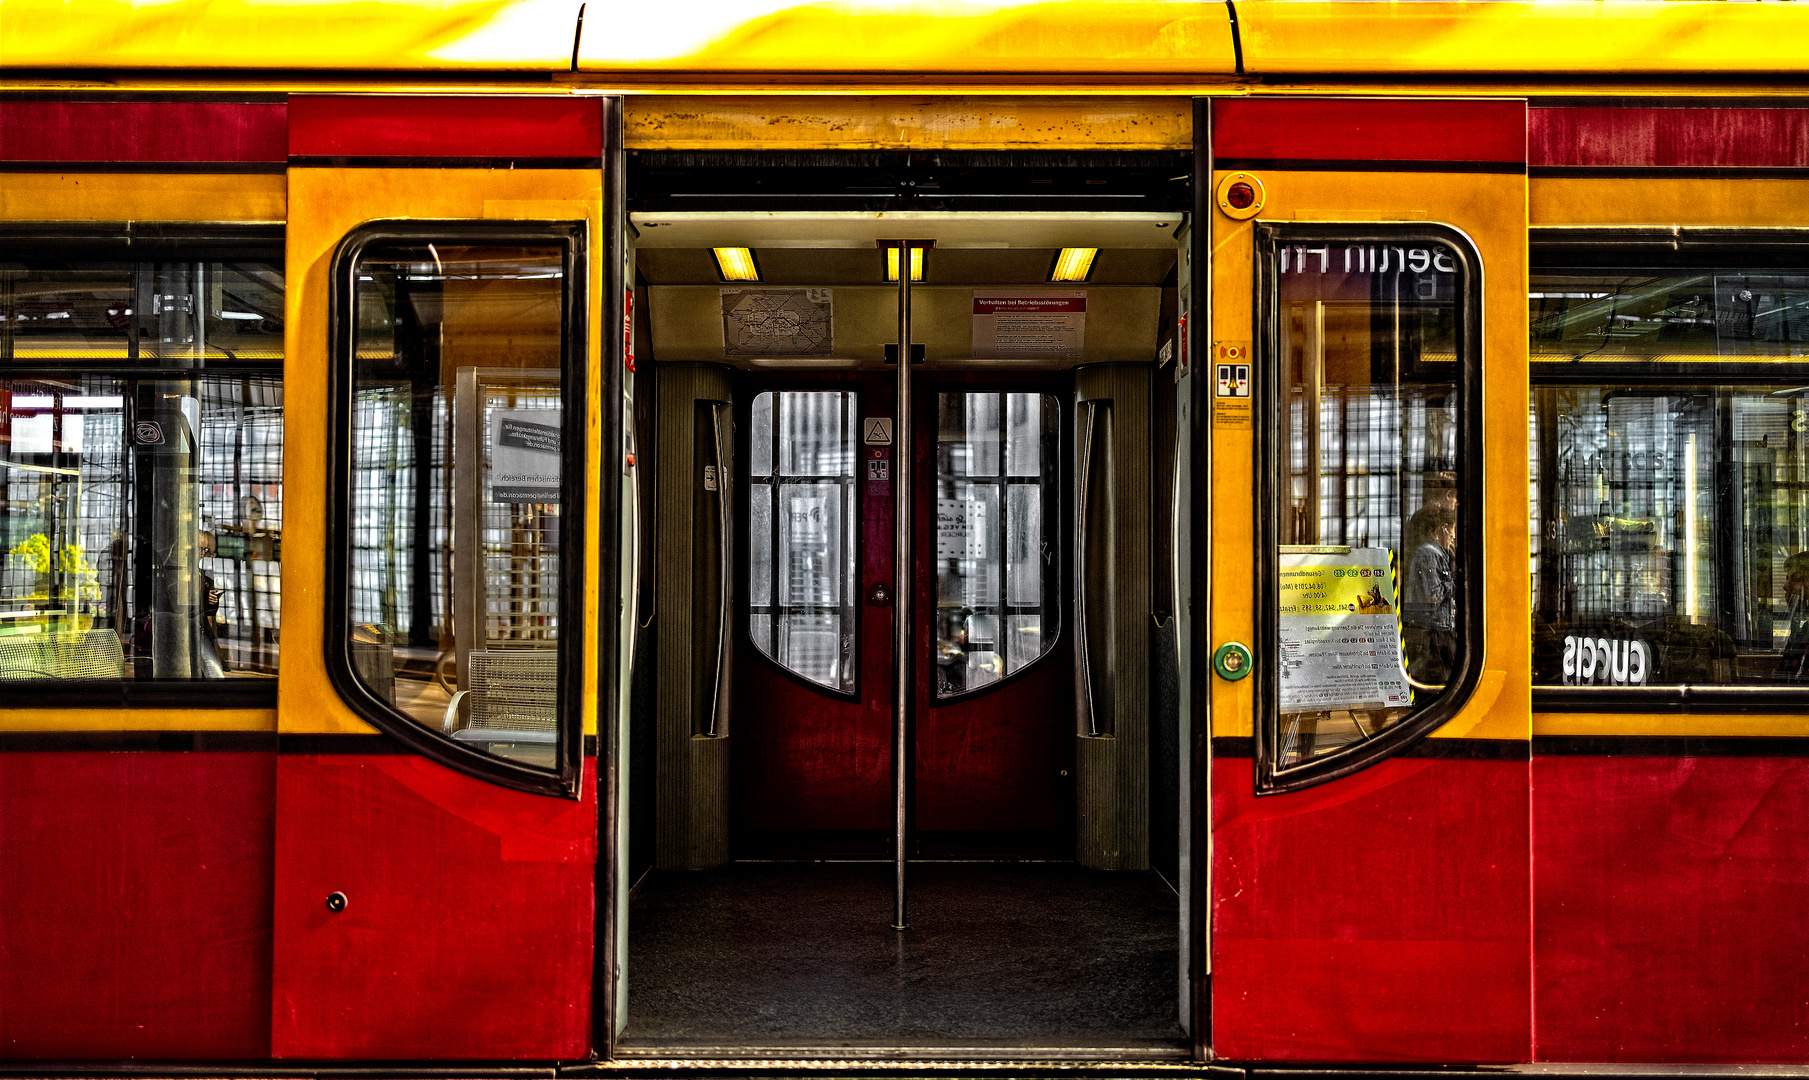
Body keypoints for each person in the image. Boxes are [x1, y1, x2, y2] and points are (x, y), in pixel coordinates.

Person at [1402, 503, 1456, 685]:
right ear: (1443, 528)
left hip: (1435, 631)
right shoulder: (1429, 554)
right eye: (1452, 529)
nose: (1453, 535)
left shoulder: (1434, 553)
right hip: (1432, 636)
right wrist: (1452, 583)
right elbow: (1433, 597)